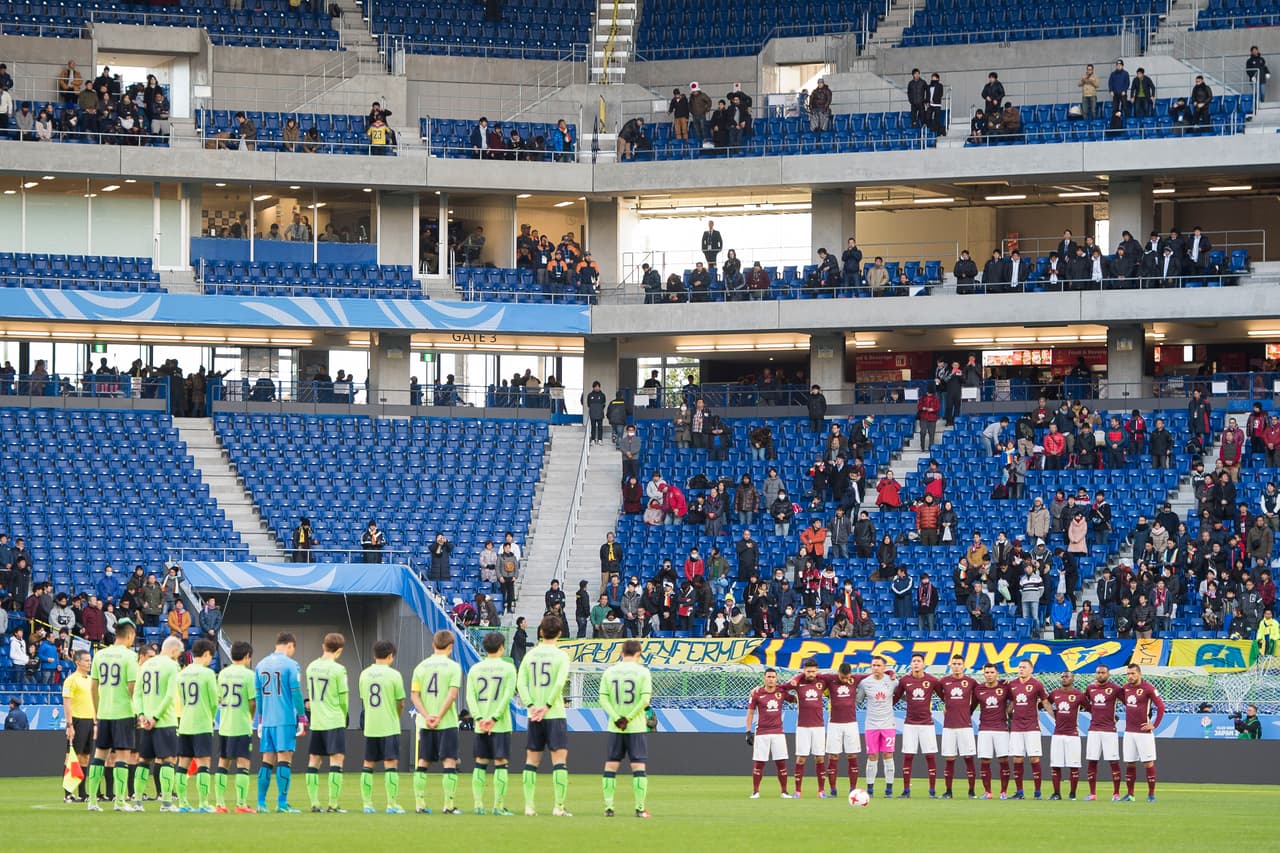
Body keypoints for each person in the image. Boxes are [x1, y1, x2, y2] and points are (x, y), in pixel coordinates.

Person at [517, 615, 572, 816]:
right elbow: (558, 684)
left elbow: (521, 683)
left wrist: (532, 705)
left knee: (531, 761)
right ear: (559, 633)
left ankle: (529, 806)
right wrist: (547, 705)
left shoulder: (530, 655)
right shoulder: (561, 656)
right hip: (554, 713)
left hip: (534, 715)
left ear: (540, 632)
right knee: (559, 762)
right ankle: (558, 807)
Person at [85, 618, 141, 812]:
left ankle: (92, 800)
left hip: (104, 713)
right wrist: (139, 711)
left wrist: (97, 711)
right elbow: (132, 687)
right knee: (122, 757)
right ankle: (119, 801)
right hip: (123, 711)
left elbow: (93, 687)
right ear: (130, 635)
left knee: (99, 755)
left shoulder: (100, 655)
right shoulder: (129, 656)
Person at [598, 639, 653, 818]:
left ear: (622, 653)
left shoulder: (610, 671)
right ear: (638, 653)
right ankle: (639, 808)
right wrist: (628, 718)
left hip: (615, 727)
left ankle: (608, 807)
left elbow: (603, 699)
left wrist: (617, 717)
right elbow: (645, 700)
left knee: (611, 765)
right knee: (638, 766)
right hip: (635, 726)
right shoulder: (643, 672)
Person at [465, 631, 518, 815]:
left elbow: (470, 698)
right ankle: (498, 806)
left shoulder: (475, 669)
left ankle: (478, 805)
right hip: (500, 724)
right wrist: (494, 718)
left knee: (480, 763)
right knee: (501, 763)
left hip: (481, 725)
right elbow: (506, 697)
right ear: (502, 647)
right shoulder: (509, 669)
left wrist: (480, 719)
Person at [408, 630, 461, 814]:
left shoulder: (421, 667)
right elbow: (452, 695)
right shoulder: (454, 667)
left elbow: (414, 695)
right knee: (449, 761)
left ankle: (419, 804)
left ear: (433, 645)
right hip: (446, 722)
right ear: (450, 647)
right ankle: (448, 805)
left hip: (426, 722)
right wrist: (438, 716)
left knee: (423, 761)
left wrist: (426, 715)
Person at [255, 632, 306, 813]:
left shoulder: (260, 665)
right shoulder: (292, 665)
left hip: (267, 719)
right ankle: (282, 803)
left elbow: (259, 695)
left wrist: (260, 720)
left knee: (267, 760)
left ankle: (261, 803)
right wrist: (301, 716)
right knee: (285, 759)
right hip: (284, 718)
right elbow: (296, 692)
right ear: (290, 645)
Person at [304, 633, 349, 813]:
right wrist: (344, 716)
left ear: (323, 646)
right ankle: (333, 803)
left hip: (317, 720)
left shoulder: (311, 667)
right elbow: (344, 698)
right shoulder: (339, 670)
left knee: (314, 760)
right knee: (336, 760)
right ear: (339, 650)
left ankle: (314, 803)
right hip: (334, 719)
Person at [360, 640, 407, 814]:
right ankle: (391, 804)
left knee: (368, 764)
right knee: (391, 763)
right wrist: (396, 716)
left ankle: (367, 804)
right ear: (390, 656)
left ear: (374, 655)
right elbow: (400, 703)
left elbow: (364, 699)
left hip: (371, 725)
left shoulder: (364, 674)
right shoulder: (394, 675)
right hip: (389, 725)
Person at [175, 639, 219, 813]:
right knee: (203, 763)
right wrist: (211, 716)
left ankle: (182, 803)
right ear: (207, 654)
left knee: (182, 764)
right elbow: (214, 701)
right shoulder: (207, 673)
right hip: (202, 722)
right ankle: (203, 803)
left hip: (185, 722)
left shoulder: (182, 673)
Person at [215, 641, 257, 814]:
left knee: (223, 762)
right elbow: (252, 701)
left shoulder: (222, 674)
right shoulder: (249, 675)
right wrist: (251, 717)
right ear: (247, 656)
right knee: (243, 763)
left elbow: (219, 699)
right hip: (241, 724)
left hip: (225, 724)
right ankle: (241, 804)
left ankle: (219, 804)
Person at [784, 659, 832, 798]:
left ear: (817, 671)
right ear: (804, 671)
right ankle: (798, 791)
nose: (811, 673)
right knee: (801, 759)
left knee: (820, 758)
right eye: (808, 671)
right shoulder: (798, 682)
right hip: (802, 726)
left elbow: (837, 679)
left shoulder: (822, 681)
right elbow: (781, 688)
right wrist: (796, 677)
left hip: (818, 726)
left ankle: (821, 791)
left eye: (813, 671)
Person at [894, 653, 940, 798]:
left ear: (923, 664)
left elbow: (944, 696)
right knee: (908, 756)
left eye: (918, 661)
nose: (916, 663)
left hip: (927, 724)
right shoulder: (904, 680)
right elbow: (894, 699)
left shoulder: (932, 680)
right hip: (910, 724)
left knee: (930, 756)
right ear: (911, 664)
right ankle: (906, 790)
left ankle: (932, 791)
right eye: (913, 661)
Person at [745, 668, 794, 798]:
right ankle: (755, 792)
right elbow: (750, 712)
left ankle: (784, 791)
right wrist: (748, 731)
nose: (771, 679)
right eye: (768, 676)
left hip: (778, 732)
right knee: (759, 763)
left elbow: (794, 699)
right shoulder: (756, 693)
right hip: (762, 732)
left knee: (781, 763)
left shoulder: (781, 691)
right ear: (764, 678)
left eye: (773, 676)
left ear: (776, 678)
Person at [1120, 663, 1165, 802]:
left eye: (1133, 673)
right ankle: (1130, 794)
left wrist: (1154, 725)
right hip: (1129, 732)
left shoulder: (1149, 688)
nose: (1130, 676)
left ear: (1139, 674)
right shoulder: (1125, 688)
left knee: (1148, 763)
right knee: (1130, 763)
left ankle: (1151, 794)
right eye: (1128, 674)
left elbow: (1161, 706)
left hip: (1144, 733)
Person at [936, 656, 979, 799]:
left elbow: (980, 694)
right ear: (950, 665)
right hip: (948, 727)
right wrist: (947, 704)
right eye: (954, 664)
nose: (956, 666)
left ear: (963, 666)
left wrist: (970, 710)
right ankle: (948, 791)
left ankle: (971, 791)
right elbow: (937, 691)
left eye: (959, 664)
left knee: (968, 758)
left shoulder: (971, 682)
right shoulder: (944, 681)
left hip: (965, 726)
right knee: (949, 759)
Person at [857, 655, 898, 797]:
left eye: (879, 665)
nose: (875, 668)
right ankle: (870, 788)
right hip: (871, 725)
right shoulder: (865, 683)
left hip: (888, 724)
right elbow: (859, 700)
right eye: (873, 665)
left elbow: (903, 694)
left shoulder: (892, 682)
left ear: (884, 667)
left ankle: (889, 789)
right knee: (872, 755)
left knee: (888, 754)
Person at [1084, 664, 1124, 801]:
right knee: (1092, 761)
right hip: (1094, 729)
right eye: (1098, 673)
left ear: (1108, 674)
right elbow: (1086, 705)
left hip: (1109, 730)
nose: (1100, 675)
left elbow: (1128, 703)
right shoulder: (1090, 688)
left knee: (1113, 761)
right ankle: (1092, 794)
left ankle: (1116, 793)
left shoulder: (1116, 689)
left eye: (1103, 672)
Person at [1046, 672, 1087, 800]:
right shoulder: (1054, 693)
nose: (1064, 679)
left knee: (1074, 765)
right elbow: (1044, 704)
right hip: (1057, 734)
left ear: (1073, 679)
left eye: (1067, 677)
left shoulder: (1079, 695)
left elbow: (1091, 708)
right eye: (1062, 677)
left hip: (1073, 735)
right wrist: (1054, 715)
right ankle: (1056, 793)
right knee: (1055, 764)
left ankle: (1072, 794)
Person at [974, 662, 1011, 799]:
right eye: (987, 673)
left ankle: (1003, 792)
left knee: (1003, 759)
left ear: (997, 674)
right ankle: (988, 792)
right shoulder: (978, 689)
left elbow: (1013, 700)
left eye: (992, 672)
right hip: (984, 728)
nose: (989, 675)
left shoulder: (1005, 687)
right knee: (985, 760)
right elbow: (972, 706)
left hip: (1001, 728)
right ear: (984, 674)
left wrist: (1008, 712)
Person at [63, 650, 95, 802]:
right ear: (78, 662)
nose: (89, 663)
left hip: (89, 720)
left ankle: (83, 793)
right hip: (77, 720)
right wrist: (70, 724)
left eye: (90, 660)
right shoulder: (71, 680)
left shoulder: (90, 679)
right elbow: (67, 703)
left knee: (85, 757)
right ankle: (68, 793)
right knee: (72, 757)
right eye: (87, 660)